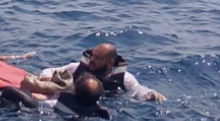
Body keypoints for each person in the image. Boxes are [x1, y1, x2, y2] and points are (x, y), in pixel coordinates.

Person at [38, 43, 166, 102]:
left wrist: (151, 94)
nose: (92, 60)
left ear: (110, 62)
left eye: (97, 58)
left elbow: (137, 90)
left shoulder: (125, 79)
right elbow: (50, 70)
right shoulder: (77, 67)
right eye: (92, 56)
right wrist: (46, 77)